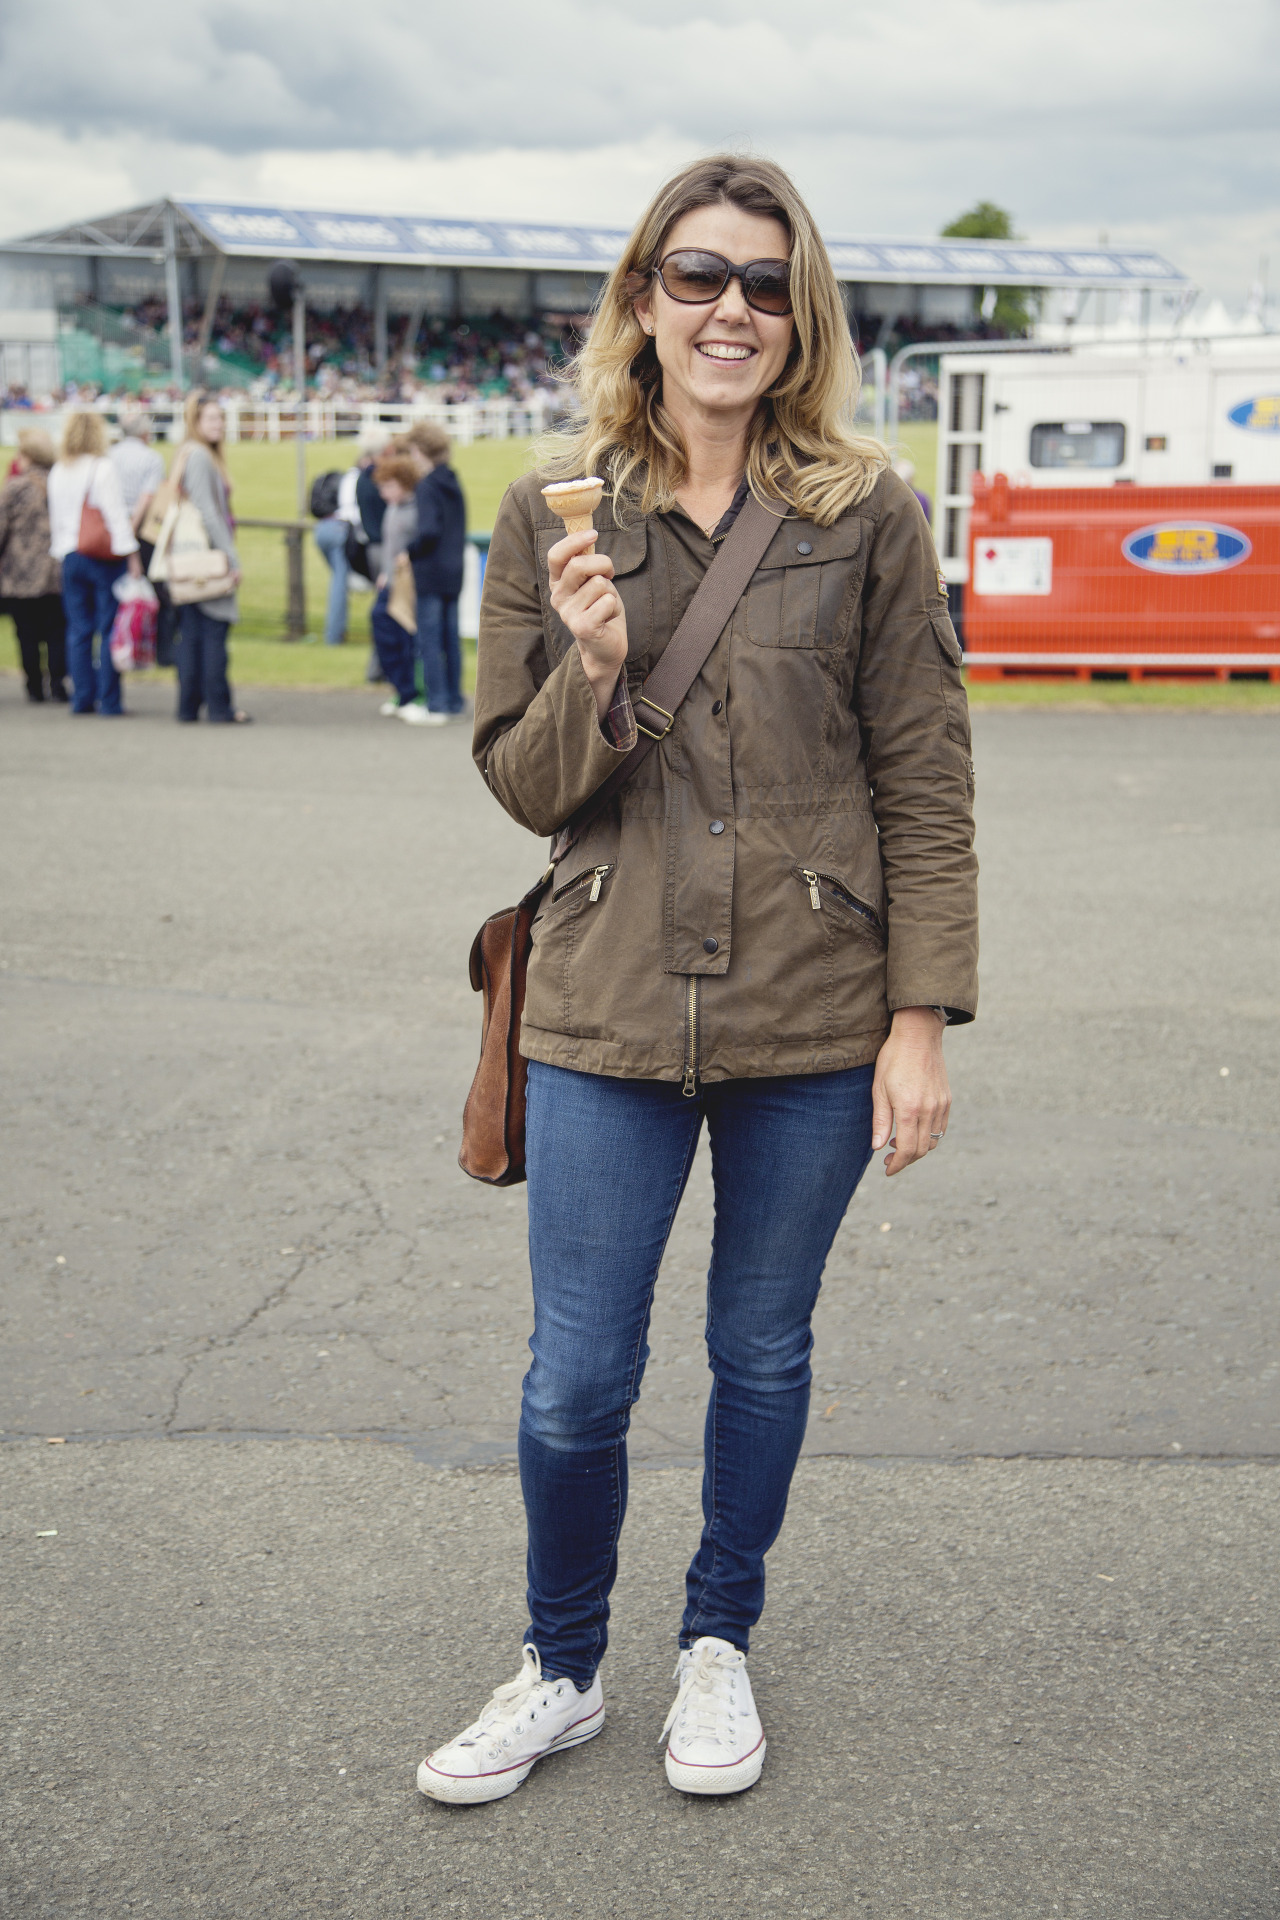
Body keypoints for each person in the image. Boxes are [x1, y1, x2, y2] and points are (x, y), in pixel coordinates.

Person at [418, 156, 978, 1806]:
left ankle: (717, 1638)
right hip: (600, 1003)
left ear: (800, 312)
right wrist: (594, 671)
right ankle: (564, 1665)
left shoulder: (868, 515)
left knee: (762, 1353)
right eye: (696, 276)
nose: (730, 308)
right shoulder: (553, 511)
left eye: (764, 279)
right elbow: (522, 785)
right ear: (641, 301)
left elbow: (924, 775)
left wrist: (919, 1019)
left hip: (816, 1005)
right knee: (577, 1372)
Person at [47, 410, 141, 715]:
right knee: (108, 626)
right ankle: (109, 699)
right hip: (100, 556)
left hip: (69, 554)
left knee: (78, 630)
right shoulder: (101, 468)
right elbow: (115, 516)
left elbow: (57, 518)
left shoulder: (59, 470)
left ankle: (82, 696)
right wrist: (131, 554)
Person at [173, 391, 249, 724]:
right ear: (196, 422)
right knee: (213, 632)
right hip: (205, 559)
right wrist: (230, 558)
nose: (219, 424)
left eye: (221, 418)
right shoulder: (200, 457)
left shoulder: (187, 455)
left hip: (188, 557)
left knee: (193, 634)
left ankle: (189, 705)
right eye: (212, 418)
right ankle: (219, 706)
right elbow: (208, 511)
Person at [404, 420, 467, 718]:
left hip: (430, 570)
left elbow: (428, 530)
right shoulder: (453, 481)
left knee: (429, 639)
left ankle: (436, 703)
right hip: (454, 568)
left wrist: (409, 550)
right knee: (450, 639)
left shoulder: (427, 485)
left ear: (420, 450)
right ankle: (454, 700)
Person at [0, 428, 67, 702]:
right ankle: (59, 684)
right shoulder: (62, 483)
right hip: (56, 571)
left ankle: (34, 686)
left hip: (21, 572)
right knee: (56, 632)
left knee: (26, 633)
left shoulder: (15, 487)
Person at [110, 411, 177, 667]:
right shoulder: (151, 458)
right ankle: (160, 650)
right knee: (157, 589)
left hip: (115, 524)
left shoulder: (110, 455)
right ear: (145, 433)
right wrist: (131, 530)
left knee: (119, 587)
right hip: (140, 526)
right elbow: (147, 496)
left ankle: (123, 643)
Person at [367, 452, 421, 716]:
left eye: (389, 486)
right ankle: (401, 690)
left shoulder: (417, 509)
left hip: (407, 585)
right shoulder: (393, 508)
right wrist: (384, 573)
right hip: (389, 582)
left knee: (404, 638)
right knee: (383, 629)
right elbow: (390, 546)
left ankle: (409, 693)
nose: (384, 493)